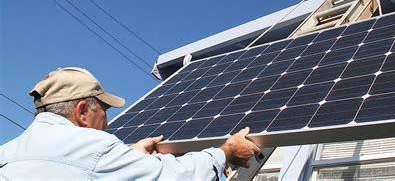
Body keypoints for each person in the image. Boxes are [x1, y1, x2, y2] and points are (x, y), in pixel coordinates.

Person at [0, 67, 261, 180]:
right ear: (82, 111)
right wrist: (226, 153)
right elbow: (175, 175)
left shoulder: (8, 152)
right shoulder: (93, 146)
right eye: (103, 109)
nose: (106, 120)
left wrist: (130, 156)